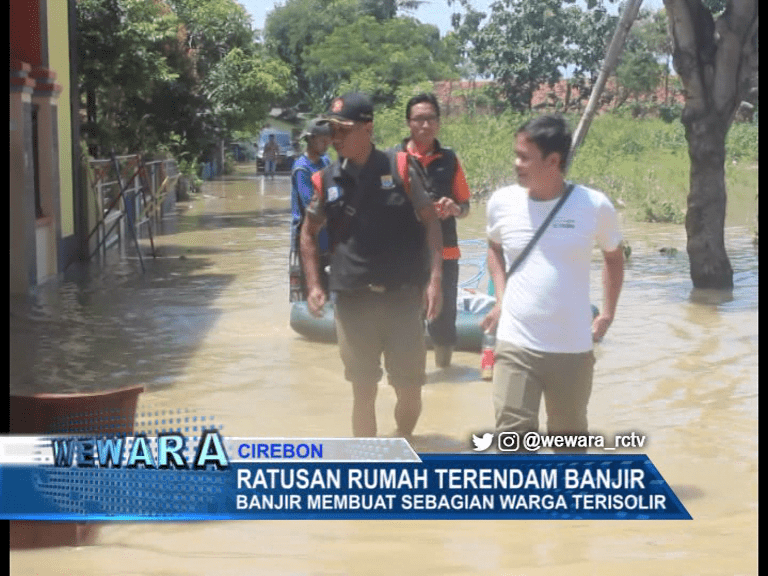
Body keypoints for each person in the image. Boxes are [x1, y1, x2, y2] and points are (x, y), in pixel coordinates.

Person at [300, 92, 444, 438]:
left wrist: (435, 280)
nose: (334, 139)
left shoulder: (400, 168)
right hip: (352, 302)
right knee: (362, 391)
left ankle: (403, 440)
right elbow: (308, 234)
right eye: (331, 131)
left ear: (367, 129)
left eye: (342, 130)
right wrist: (315, 285)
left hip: (402, 298)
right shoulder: (325, 180)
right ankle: (369, 468)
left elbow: (431, 223)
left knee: (409, 390)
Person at [481, 114, 624, 452]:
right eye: (516, 154)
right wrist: (502, 299)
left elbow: (614, 257)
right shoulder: (502, 203)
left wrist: (608, 312)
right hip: (516, 343)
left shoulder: (594, 205)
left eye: (524, 157)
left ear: (553, 160)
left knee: (570, 447)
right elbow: (493, 248)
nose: (516, 164)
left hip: (572, 349)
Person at [397, 93, 471, 368]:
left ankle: (444, 373)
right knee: (406, 318)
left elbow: (466, 207)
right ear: (408, 123)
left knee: (444, 316)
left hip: (447, 251)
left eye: (430, 119)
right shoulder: (394, 160)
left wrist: (454, 208)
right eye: (418, 119)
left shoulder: (450, 160)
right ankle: (410, 378)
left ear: (439, 123)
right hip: (406, 253)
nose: (424, 124)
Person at [289, 118, 332, 301]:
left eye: (328, 139)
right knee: (311, 291)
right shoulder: (302, 169)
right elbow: (311, 205)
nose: (326, 143)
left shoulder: (325, 162)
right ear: (312, 139)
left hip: (328, 237)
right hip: (309, 237)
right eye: (322, 140)